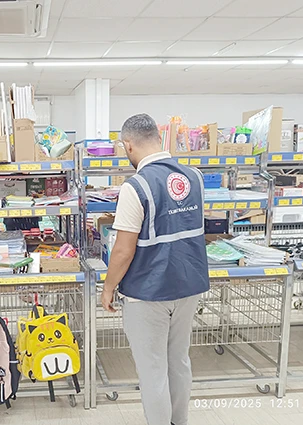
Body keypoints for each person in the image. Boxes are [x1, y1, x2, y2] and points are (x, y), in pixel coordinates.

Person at [101, 114, 210, 425]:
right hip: (188, 286)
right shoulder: (194, 177)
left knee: (152, 370)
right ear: (158, 139)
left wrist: (108, 287)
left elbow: (123, 250)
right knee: (179, 361)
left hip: (148, 292)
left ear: (128, 145)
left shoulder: (135, 187)